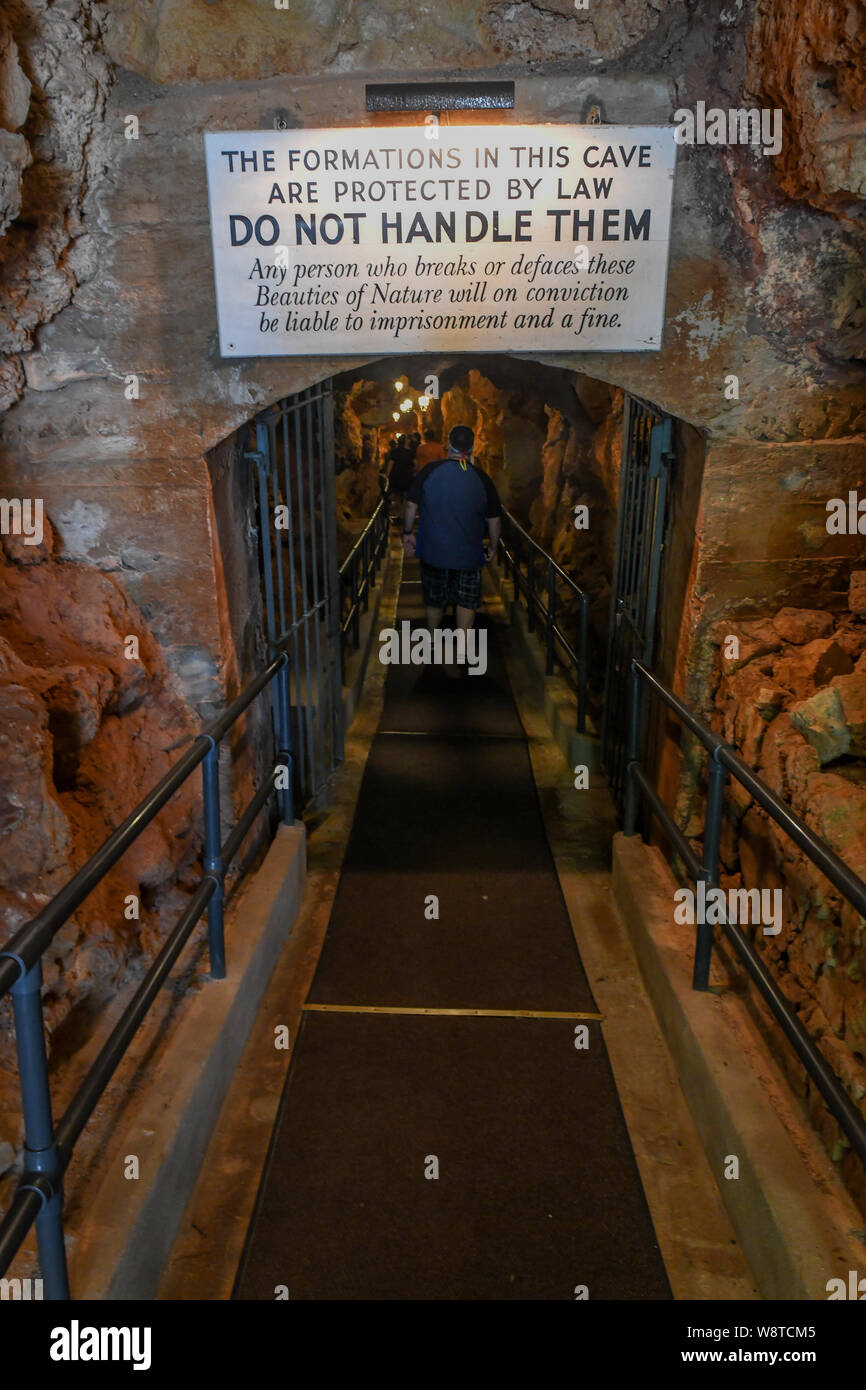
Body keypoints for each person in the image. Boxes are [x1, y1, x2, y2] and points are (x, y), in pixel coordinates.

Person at [402, 424, 502, 659]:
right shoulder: (481, 477)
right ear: (473, 447)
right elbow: (495, 519)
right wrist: (493, 546)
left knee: (435, 598)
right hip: (468, 553)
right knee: (466, 599)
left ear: (449, 445)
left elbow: (410, 504)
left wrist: (408, 533)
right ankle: (462, 646)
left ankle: (434, 639)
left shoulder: (430, 471)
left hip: (434, 550)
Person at [387, 433, 416, 522]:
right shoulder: (411, 452)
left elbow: (391, 464)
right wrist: (414, 472)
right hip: (407, 475)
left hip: (397, 475)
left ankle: (399, 514)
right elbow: (415, 464)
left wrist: (387, 474)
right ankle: (403, 515)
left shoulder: (394, 451)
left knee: (398, 496)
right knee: (406, 496)